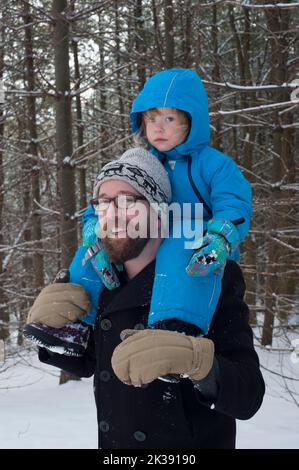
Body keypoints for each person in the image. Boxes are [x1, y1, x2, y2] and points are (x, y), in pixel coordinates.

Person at [31, 154, 265, 449]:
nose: (112, 214)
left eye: (127, 201)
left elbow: (249, 395)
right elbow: (86, 364)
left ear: (157, 211)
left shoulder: (208, 275)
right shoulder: (102, 281)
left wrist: (199, 363)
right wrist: (54, 329)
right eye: (103, 202)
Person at [25, 68, 252, 366]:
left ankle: (174, 328)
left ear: (191, 120)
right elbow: (109, 196)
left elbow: (234, 202)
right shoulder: (142, 161)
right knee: (91, 250)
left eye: (168, 119)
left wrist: (221, 237)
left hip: (195, 240)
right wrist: (94, 226)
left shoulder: (213, 165)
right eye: (150, 119)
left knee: (177, 248)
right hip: (144, 237)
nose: (158, 128)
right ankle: (72, 324)